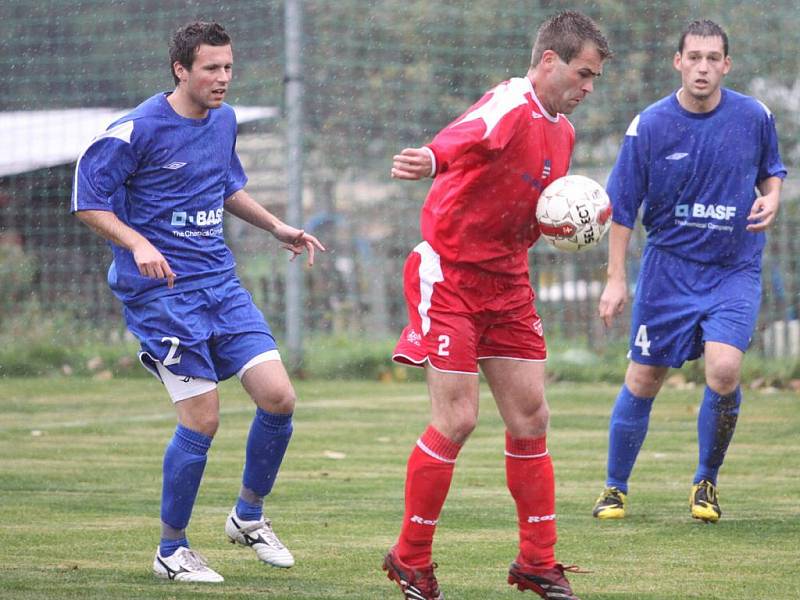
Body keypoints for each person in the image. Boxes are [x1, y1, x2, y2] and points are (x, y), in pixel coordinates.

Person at [71, 21, 324, 583]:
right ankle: (171, 550)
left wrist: (277, 227)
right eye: (211, 67)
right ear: (180, 70)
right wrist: (138, 243)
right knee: (202, 421)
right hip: (162, 298)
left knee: (279, 398)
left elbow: (226, 188)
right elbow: (88, 202)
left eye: (228, 66)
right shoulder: (133, 131)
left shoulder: (224, 122)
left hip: (221, 286)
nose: (223, 78)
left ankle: (248, 517)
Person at [385, 11, 612, 600]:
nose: (588, 88)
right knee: (458, 420)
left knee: (531, 418)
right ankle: (411, 558)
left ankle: (537, 560)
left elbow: (537, 207)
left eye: (594, 79)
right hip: (450, 275)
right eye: (582, 74)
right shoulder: (512, 102)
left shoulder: (563, 133)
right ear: (548, 62)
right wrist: (432, 158)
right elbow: (470, 131)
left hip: (507, 283)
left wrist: (568, 226)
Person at [592, 20, 786, 524]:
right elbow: (622, 207)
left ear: (727, 64)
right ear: (678, 62)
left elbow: (772, 170)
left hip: (733, 268)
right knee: (645, 377)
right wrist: (615, 278)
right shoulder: (650, 125)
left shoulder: (754, 115)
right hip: (668, 271)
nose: (703, 67)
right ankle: (614, 487)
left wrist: (774, 199)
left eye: (712, 58)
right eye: (693, 57)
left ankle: (706, 480)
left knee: (724, 370)